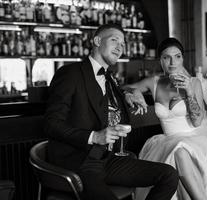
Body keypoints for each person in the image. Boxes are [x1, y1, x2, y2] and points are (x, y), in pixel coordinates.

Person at [44, 24, 179, 200]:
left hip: (107, 158)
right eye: (114, 40)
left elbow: (102, 97)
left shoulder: (110, 78)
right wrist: (94, 136)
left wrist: (128, 93)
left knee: (169, 175)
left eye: (123, 44)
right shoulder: (70, 73)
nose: (120, 47)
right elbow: (51, 124)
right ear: (97, 41)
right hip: (79, 160)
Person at [123, 38, 207, 200]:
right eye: (166, 57)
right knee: (177, 152)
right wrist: (131, 92)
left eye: (177, 56)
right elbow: (123, 88)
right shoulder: (154, 82)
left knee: (180, 152)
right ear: (160, 60)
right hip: (166, 140)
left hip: (194, 138)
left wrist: (189, 93)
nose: (172, 62)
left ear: (182, 59)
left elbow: (197, 121)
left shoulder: (194, 83)